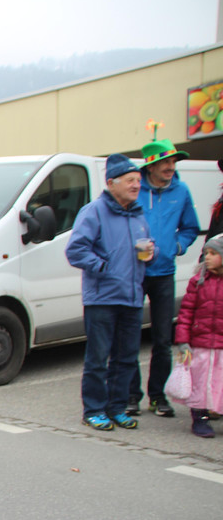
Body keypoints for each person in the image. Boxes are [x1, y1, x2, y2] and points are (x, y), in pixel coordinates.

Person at [66, 154, 154, 431]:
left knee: (126, 358)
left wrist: (150, 252)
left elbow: (144, 246)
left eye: (138, 180)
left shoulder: (137, 214)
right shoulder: (93, 211)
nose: (136, 185)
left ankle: (117, 408)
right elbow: (75, 250)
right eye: (130, 180)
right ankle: (93, 410)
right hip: (102, 298)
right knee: (98, 359)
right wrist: (103, 267)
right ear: (111, 183)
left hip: (132, 296)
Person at [126, 137, 200, 418]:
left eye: (173, 162)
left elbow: (190, 228)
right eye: (165, 162)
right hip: (135, 273)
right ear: (151, 166)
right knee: (130, 335)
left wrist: (176, 246)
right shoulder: (135, 189)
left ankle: (158, 396)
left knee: (162, 339)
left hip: (165, 273)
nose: (171, 167)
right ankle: (131, 396)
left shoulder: (181, 191)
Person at [173, 234, 223, 438]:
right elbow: (186, 312)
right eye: (206, 253)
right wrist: (183, 341)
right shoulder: (198, 281)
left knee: (219, 382)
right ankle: (199, 418)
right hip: (200, 344)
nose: (207, 257)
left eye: (213, 253)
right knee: (200, 383)